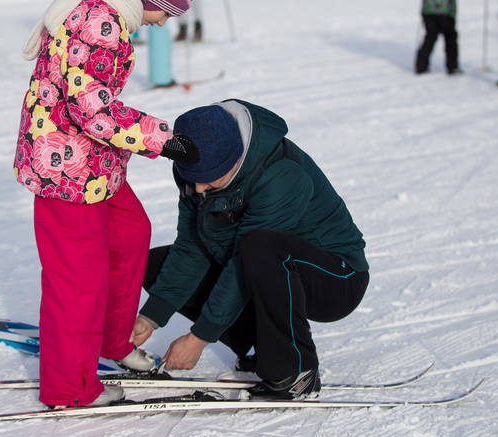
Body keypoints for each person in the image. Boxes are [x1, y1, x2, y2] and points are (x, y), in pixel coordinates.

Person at [14, 0, 206, 408]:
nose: (162, 26)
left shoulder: (112, 12)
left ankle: (111, 339)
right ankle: (70, 388)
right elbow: (92, 110)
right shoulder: (99, 20)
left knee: (130, 234)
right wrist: (164, 139)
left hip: (92, 163)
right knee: (78, 280)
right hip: (65, 168)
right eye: (166, 15)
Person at [130, 100, 370, 400]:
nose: (200, 189)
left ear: (235, 160)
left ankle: (295, 370)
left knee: (261, 247)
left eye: (210, 177)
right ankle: (261, 349)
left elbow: (245, 261)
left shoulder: (281, 174)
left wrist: (199, 338)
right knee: (155, 263)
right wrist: (151, 317)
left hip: (335, 278)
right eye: (194, 177)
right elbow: (191, 247)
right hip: (263, 265)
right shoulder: (195, 171)